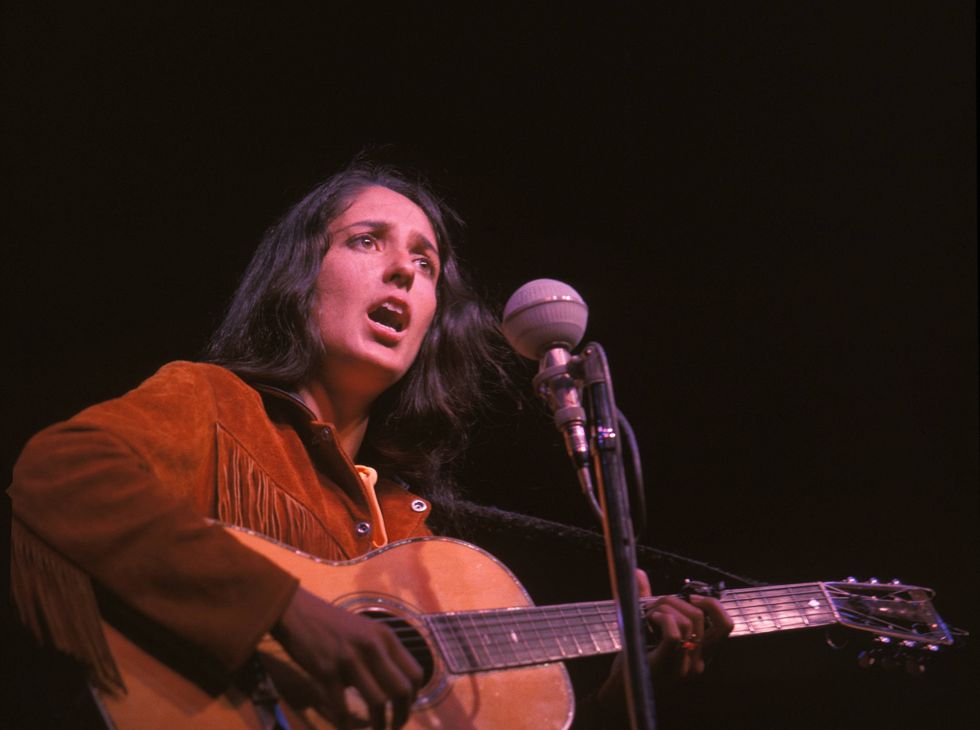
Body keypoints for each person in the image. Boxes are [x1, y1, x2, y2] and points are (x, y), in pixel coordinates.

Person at [9, 161, 732, 729]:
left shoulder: (414, 532)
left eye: (426, 264)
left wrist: (622, 694)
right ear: (300, 276)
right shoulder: (213, 403)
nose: (404, 273)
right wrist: (285, 610)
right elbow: (60, 470)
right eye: (367, 241)